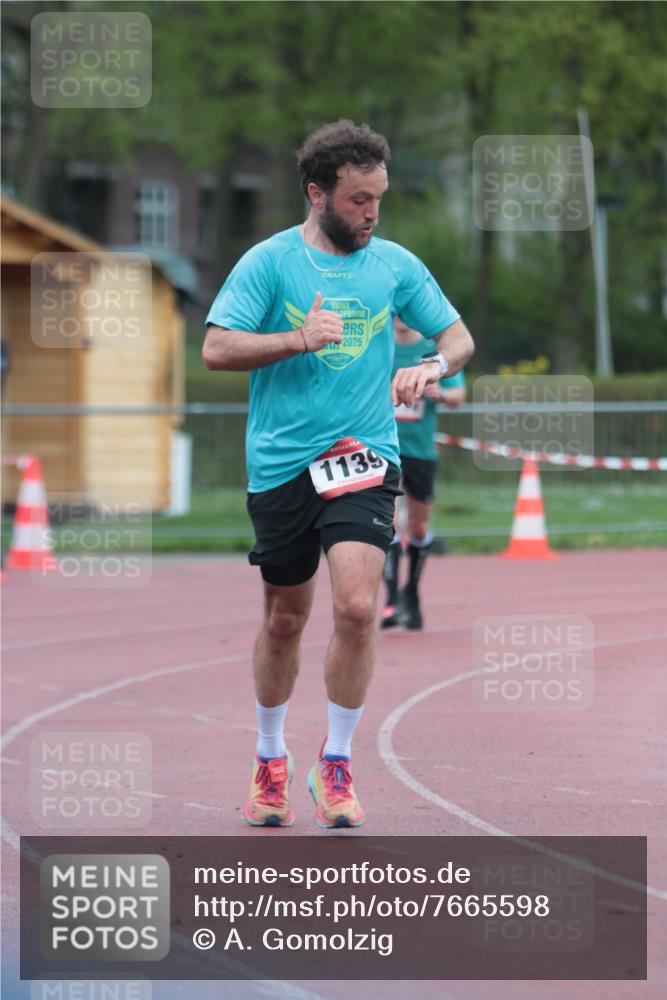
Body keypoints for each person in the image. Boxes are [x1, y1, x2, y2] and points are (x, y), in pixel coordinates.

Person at [203, 119, 474, 829]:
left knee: (356, 606)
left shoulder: (394, 266)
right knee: (285, 616)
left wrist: (431, 365)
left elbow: (457, 335)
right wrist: (297, 338)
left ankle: (338, 762)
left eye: (378, 198)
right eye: (358, 200)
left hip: (363, 456)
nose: (371, 213)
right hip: (282, 463)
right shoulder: (267, 263)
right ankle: (269, 758)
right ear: (316, 193)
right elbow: (216, 349)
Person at [381, 317, 467, 631]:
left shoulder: (431, 352)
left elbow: (459, 395)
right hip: (383, 449)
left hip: (420, 449)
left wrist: (439, 393)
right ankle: (390, 600)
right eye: (396, 311)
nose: (400, 317)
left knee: (417, 527)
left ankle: (411, 593)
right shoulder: (380, 347)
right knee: (386, 523)